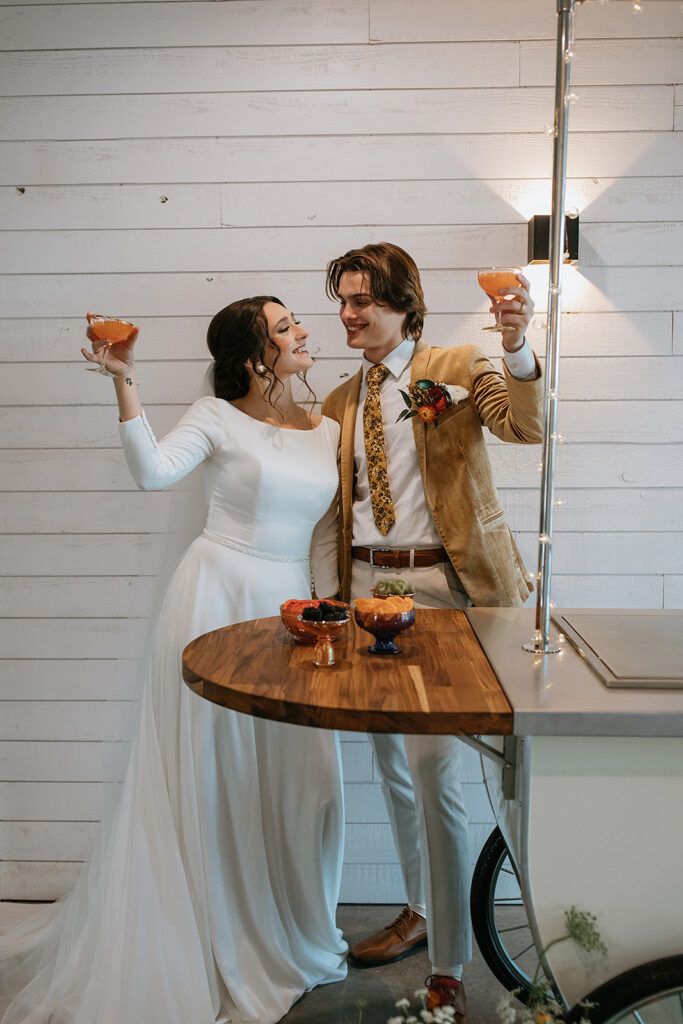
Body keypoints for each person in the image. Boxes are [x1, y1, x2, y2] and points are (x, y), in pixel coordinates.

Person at [0, 297, 347, 1024]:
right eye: (285, 328)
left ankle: (288, 931)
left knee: (304, 776)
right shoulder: (214, 416)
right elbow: (154, 473)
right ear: (253, 354)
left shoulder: (329, 430)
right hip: (216, 596)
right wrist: (124, 381)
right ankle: (211, 930)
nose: (304, 330)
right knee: (212, 770)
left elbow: (323, 539)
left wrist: (331, 613)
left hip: (292, 609)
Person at [321, 243, 544, 1019]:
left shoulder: (456, 364)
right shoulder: (337, 401)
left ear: (403, 303)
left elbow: (522, 426)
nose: (349, 315)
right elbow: (332, 510)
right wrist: (327, 604)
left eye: (363, 301)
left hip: (447, 596)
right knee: (390, 767)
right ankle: (419, 910)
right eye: (342, 301)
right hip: (361, 596)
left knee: (436, 776)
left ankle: (448, 963)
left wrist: (516, 345)